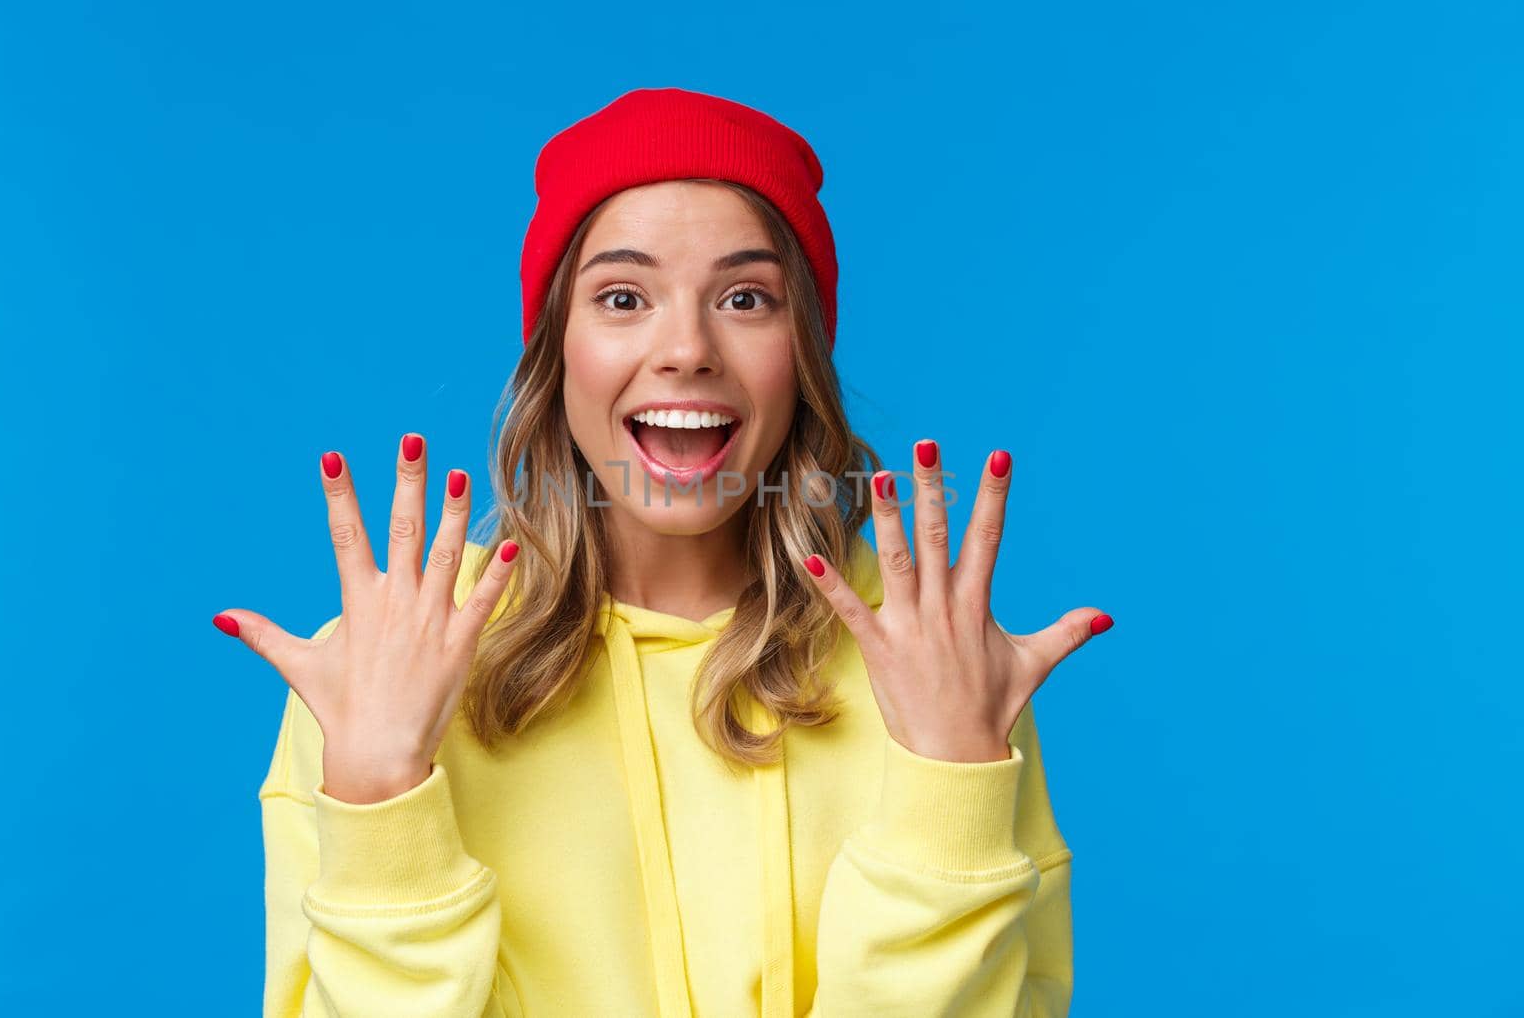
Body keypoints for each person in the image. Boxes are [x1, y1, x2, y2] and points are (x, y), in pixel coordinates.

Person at [213, 86, 1110, 1017]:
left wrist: (949, 791)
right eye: (624, 296)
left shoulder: (930, 647)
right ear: (556, 351)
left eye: (746, 297)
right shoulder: (388, 657)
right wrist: (380, 798)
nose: (686, 347)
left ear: (800, 352)